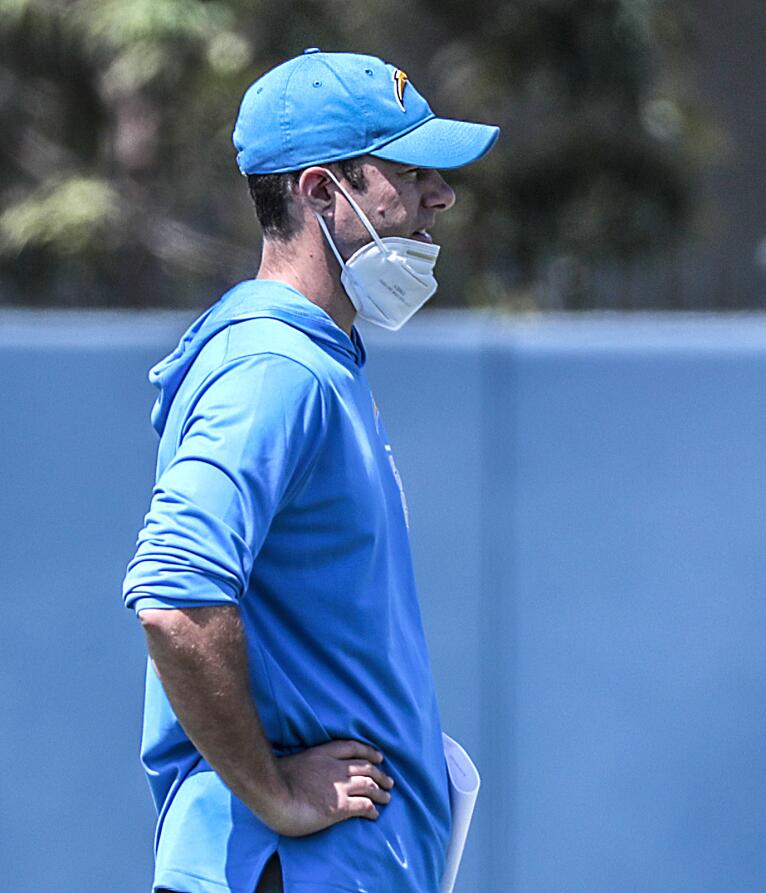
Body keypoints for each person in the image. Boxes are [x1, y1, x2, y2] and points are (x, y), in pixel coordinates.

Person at [121, 48, 499, 893]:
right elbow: (176, 597)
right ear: (321, 191)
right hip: (284, 866)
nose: (440, 195)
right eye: (408, 171)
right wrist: (278, 790)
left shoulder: (316, 357)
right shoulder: (274, 366)